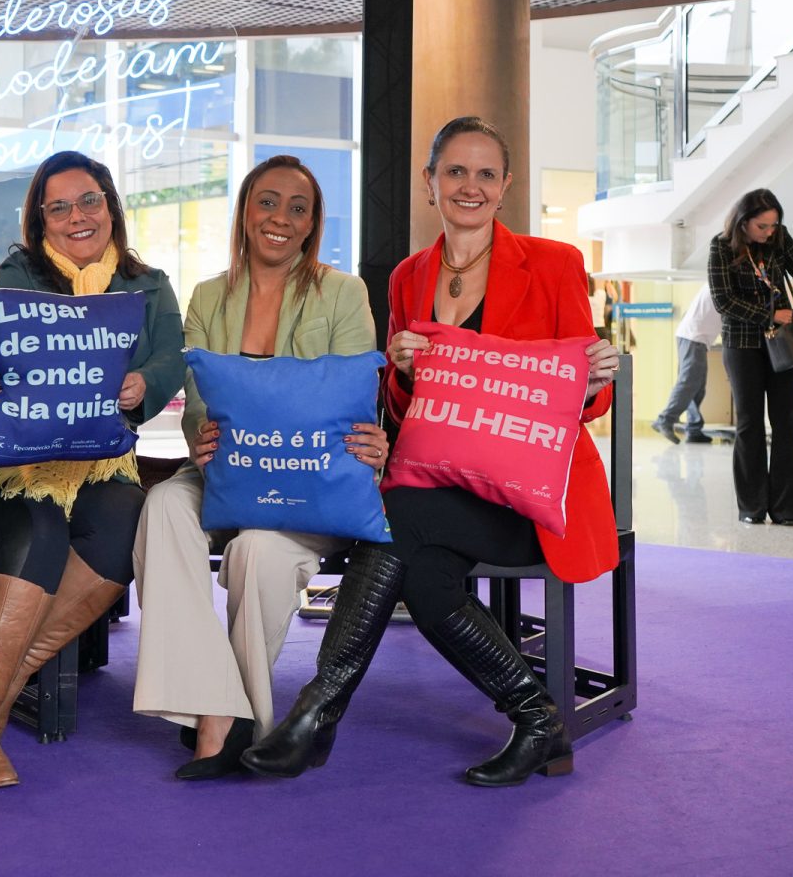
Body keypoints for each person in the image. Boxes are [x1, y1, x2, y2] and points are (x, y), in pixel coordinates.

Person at [242, 116, 622, 786]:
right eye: (455, 171)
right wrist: (402, 372)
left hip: (531, 499)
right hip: (441, 488)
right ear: (430, 182)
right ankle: (538, 720)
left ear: (505, 185)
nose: (470, 186)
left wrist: (592, 381)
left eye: (485, 174)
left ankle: (317, 712)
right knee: (421, 574)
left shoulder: (555, 263)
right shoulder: (408, 277)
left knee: (397, 518)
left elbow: (586, 400)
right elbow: (402, 415)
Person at [130, 155, 389, 780]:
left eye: (298, 209)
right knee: (163, 506)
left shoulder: (343, 292)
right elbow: (197, 406)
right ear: (246, 211)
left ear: (312, 224)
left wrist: (372, 442)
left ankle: (226, 722)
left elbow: (356, 398)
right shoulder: (208, 296)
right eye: (267, 202)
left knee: (257, 551)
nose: (280, 218)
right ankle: (222, 709)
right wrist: (202, 438)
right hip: (227, 473)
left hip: (312, 485)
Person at [0, 149, 185, 788]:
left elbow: (171, 358)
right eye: (59, 208)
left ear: (110, 207)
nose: (77, 216)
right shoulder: (16, 277)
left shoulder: (149, 284)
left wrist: (144, 383)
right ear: (40, 221)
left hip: (104, 461)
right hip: (19, 464)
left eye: (88, 201)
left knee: (126, 521)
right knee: (41, 529)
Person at [707, 189, 793, 526]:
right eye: (762, 226)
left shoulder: (780, 237)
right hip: (742, 344)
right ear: (743, 222)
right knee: (750, 423)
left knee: (785, 422)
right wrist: (771, 315)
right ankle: (752, 507)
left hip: (785, 342)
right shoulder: (721, 246)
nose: (769, 232)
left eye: (773, 225)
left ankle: (788, 509)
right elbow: (724, 302)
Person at [651, 285, 720, 444]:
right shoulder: (723, 282)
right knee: (688, 382)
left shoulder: (717, 282)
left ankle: (693, 429)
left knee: (697, 386)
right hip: (694, 336)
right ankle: (665, 419)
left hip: (694, 336)